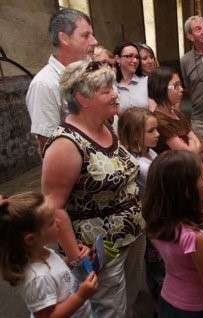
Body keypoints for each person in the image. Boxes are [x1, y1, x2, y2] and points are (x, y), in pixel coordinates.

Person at [41, 60, 146, 318]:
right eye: (106, 90)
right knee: (109, 311)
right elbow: (52, 208)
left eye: (113, 87)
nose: (115, 94)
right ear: (82, 98)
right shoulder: (65, 144)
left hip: (132, 236)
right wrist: (78, 259)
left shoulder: (106, 127)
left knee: (128, 301)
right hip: (101, 252)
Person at [142, 150, 203, 317]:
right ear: (187, 191)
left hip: (168, 300)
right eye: (200, 177)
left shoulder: (156, 225)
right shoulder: (195, 239)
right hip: (197, 308)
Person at [0, 192, 98, 317]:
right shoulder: (37, 279)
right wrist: (80, 296)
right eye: (51, 222)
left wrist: (71, 261)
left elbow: (54, 272)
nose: (58, 222)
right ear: (30, 239)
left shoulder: (41, 251)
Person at [26, 8, 97, 152]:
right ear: (64, 39)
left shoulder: (89, 72)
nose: (95, 41)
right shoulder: (44, 84)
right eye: (85, 35)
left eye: (92, 35)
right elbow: (48, 145)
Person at [117, 107, 163, 314]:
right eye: (151, 131)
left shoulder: (148, 152)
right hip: (151, 222)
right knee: (156, 270)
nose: (158, 134)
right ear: (136, 134)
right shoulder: (138, 163)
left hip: (156, 217)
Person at [148, 66, 201, 154]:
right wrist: (192, 142)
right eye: (176, 86)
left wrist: (192, 144)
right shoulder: (159, 121)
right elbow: (188, 152)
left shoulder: (177, 113)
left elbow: (198, 143)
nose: (181, 89)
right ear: (162, 88)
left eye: (180, 85)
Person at [114, 42, 149, 111]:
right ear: (118, 59)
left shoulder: (147, 82)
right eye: (129, 56)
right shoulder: (113, 86)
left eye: (137, 57)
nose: (135, 60)